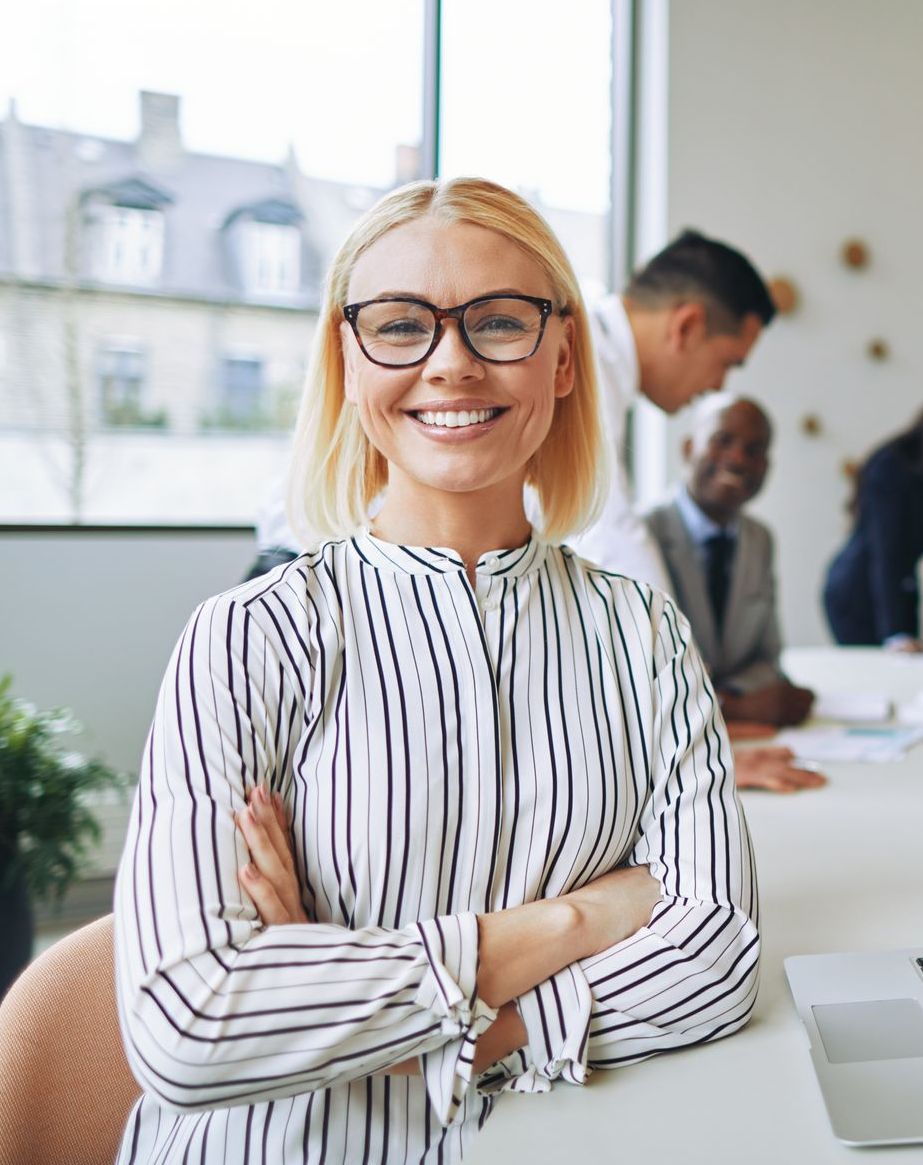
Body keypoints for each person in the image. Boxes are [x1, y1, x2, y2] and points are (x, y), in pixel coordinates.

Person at [113, 177, 760, 1165]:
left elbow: (712, 962)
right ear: (347, 359)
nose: (450, 362)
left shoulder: (642, 635)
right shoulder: (244, 639)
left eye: (498, 321)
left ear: (559, 360)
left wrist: (381, 1020)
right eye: (399, 324)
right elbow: (192, 1021)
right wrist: (573, 918)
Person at [567, 229, 777, 589]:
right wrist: (679, 644)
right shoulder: (581, 366)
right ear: (687, 327)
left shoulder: (596, 358)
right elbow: (605, 536)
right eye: (727, 362)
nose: (718, 386)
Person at [644, 394, 823, 794]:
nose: (738, 459)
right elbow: (638, 681)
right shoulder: (641, 537)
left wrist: (744, 696)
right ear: (688, 448)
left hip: (751, 746)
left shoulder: (760, 540)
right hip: (670, 766)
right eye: (722, 440)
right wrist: (732, 707)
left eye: (754, 450)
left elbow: (767, 657)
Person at [823, 409, 923, 650]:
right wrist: (896, 632)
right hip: (858, 593)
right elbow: (887, 552)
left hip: (899, 589)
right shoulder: (892, 465)